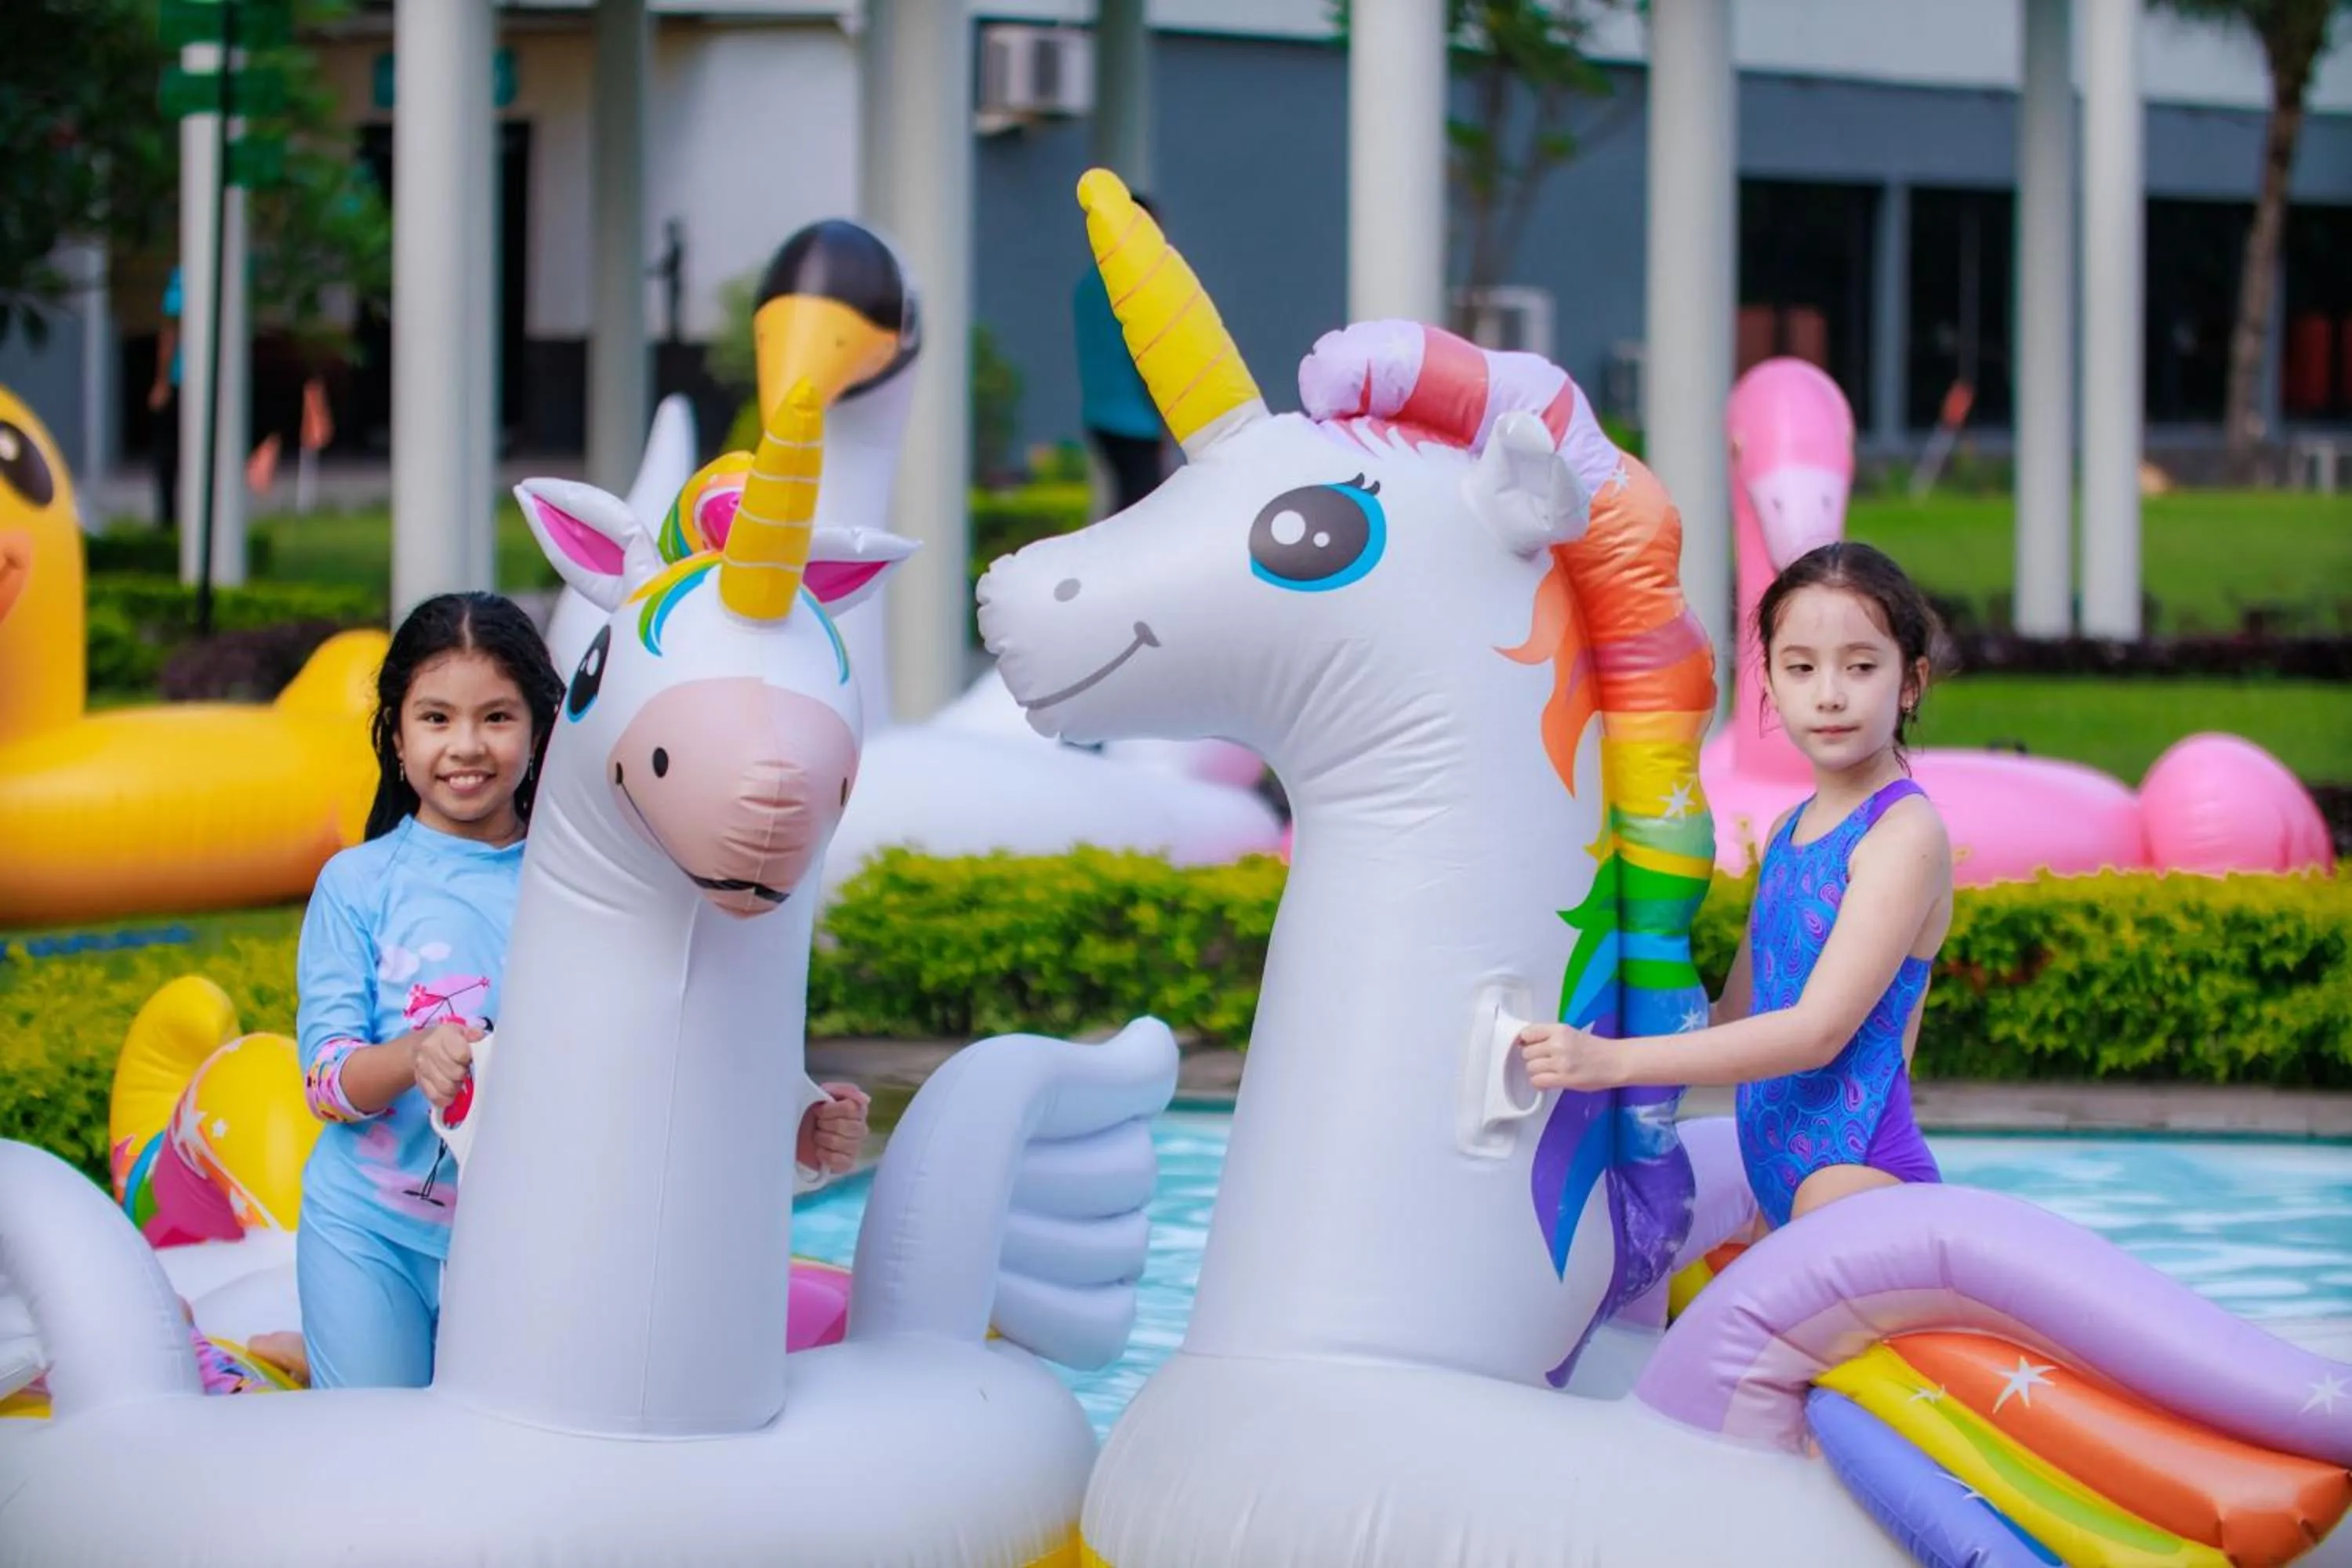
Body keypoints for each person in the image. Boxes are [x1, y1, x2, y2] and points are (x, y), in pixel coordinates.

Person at [295, 592, 871, 1388]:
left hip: (532, 1253)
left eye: (497, 717)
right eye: (435, 718)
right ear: (396, 735)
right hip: (370, 1234)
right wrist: (413, 1054)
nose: (466, 746)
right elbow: (325, 1082)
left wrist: (794, 1131)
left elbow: (666, 1054)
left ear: (543, 729)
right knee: (367, 1454)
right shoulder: (357, 884)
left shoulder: (591, 886)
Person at [1517, 542, 1952, 1230]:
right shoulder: (1790, 829)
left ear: (1910, 682)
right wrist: (1583, 1025)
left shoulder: (1903, 834)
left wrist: (1611, 1061)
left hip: (1857, 1178)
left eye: (1862, 667)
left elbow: (1816, 1032)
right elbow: (1735, 1015)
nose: (1830, 693)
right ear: (1771, 684)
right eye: (1801, 668)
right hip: (1778, 1186)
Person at [1073, 191, 1171, 514]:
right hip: (1137, 421)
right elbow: (1147, 357)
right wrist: (1167, 418)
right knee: (1145, 515)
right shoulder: (1134, 282)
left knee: (1123, 508)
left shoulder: (1090, 283)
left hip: (1100, 416)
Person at [150, 266, 182, 532]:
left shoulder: (183, 278)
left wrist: (161, 382)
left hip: (182, 380)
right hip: (187, 381)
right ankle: (168, 517)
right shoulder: (182, 279)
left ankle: (168, 518)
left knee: (168, 455)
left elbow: (169, 333)